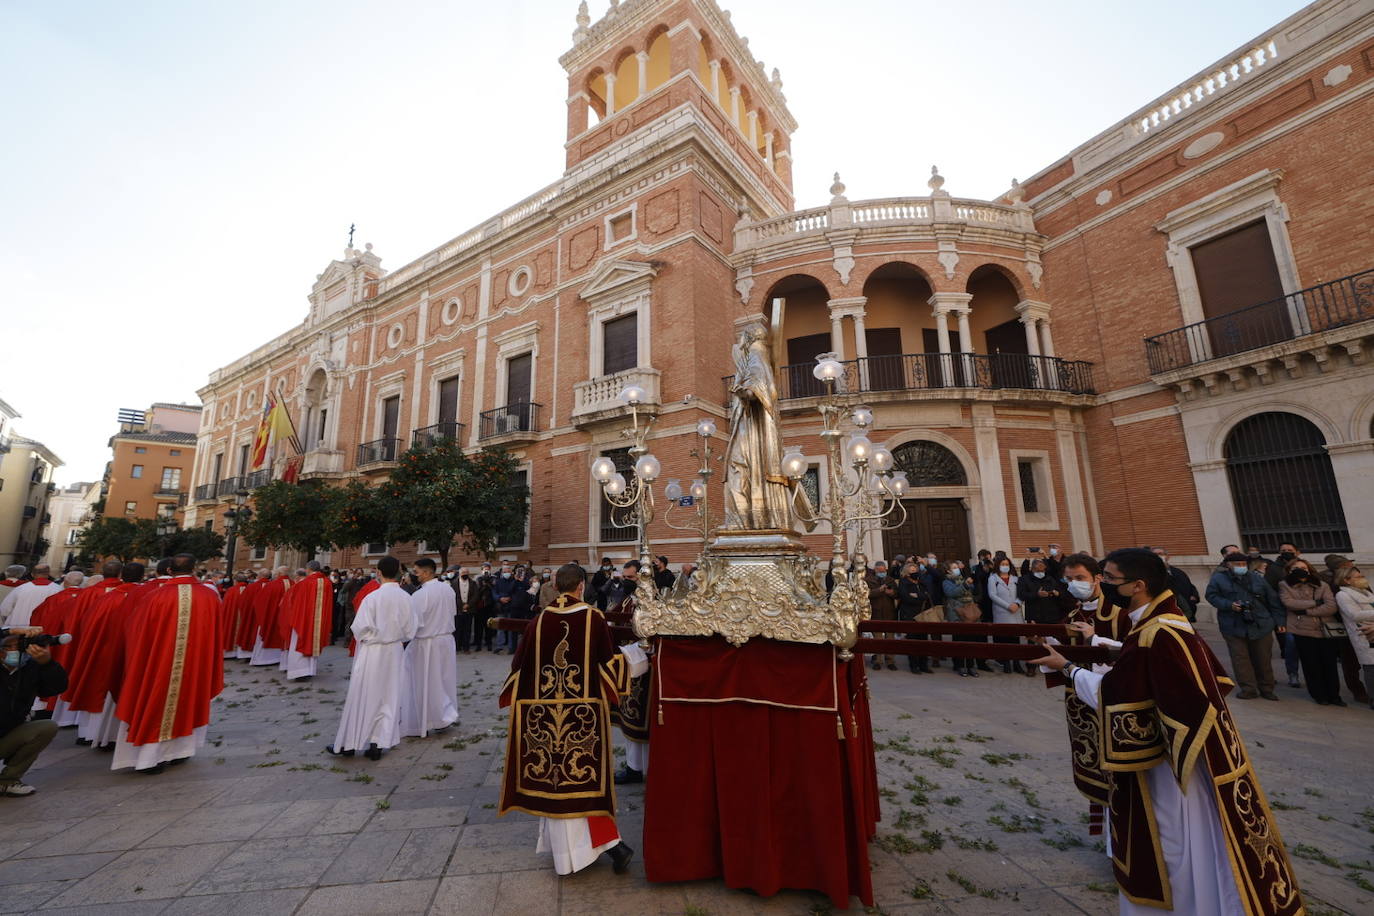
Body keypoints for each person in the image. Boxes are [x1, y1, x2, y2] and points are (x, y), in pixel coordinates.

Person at [1032, 548, 1302, 915]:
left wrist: (1067, 668)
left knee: (1169, 842)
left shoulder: (1158, 632)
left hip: (1166, 767)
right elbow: (1136, 660)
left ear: (1138, 586)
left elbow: (1117, 693)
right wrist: (1101, 648)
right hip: (1181, 753)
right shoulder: (1162, 622)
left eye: (1110, 579)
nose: (1103, 585)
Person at [498, 562, 638, 877]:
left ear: (557, 586)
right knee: (583, 778)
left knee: (555, 781)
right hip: (582, 717)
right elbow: (611, 667)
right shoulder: (593, 618)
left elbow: (518, 670)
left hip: (542, 718)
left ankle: (596, 849)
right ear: (580, 588)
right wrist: (638, 662)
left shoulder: (538, 621)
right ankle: (604, 848)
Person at [113, 554, 224, 773]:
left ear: (169, 571)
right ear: (195, 570)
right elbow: (216, 635)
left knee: (154, 700)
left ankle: (149, 758)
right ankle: (179, 751)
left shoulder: (155, 596)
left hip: (157, 663)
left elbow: (136, 633)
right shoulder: (209, 597)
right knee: (187, 698)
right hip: (194, 664)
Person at [1051, 553, 1131, 840]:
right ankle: (1110, 837)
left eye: (1080, 578)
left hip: (1113, 703)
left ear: (1098, 578)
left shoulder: (1121, 614)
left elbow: (1132, 655)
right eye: (1069, 579)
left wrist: (1095, 638)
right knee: (1094, 765)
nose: (1074, 585)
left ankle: (1123, 836)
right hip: (1081, 705)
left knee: (1117, 771)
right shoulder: (1072, 615)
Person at [331, 556, 417, 760]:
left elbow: (359, 628)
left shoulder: (373, 597)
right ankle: (378, 742)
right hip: (395, 651)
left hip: (373, 651)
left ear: (378, 572)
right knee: (388, 696)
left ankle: (351, 742)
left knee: (364, 693)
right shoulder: (406, 598)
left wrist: (373, 637)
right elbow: (411, 629)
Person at [64, 563, 143, 750]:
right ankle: (116, 736)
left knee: (95, 685)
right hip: (127, 652)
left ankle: (88, 734)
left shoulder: (99, 595)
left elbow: (83, 622)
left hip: (99, 650)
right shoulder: (143, 596)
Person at [0, 626, 67, 795]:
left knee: (46, 727)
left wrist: (47, 664)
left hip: (6, 734)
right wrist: (9, 631)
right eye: (9, 646)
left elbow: (56, 687)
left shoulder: (30, 668)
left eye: (19, 645)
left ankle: (8, 780)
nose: (15, 650)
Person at [1206, 552, 1281, 700]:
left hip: (1260, 623)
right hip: (1232, 625)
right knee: (1240, 659)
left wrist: (1279, 622)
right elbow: (1211, 596)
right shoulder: (1218, 579)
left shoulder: (1256, 578)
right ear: (1228, 565)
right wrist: (1228, 605)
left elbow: (1272, 599)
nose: (1241, 567)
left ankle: (1267, 688)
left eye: (1243, 564)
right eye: (1237, 564)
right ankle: (1248, 689)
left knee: (1263, 658)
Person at [400, 558, 459, 738]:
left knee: (424, 682)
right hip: (446, 641)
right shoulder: (448, 589)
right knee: (443, 679)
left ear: (426, 573)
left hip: (427, 643)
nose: (414, 575)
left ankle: (425, 719)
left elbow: (413, 623)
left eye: (416, 572)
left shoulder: (420, 595)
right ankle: (443, 716)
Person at [1279, 557, 1343, 706]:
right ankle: (1319, 695)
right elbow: (1290, 603)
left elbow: (1331, 607)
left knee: (1329, 664)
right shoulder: (1285, 585)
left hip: (1325, 629)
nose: (1302, 571)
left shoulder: (1322, 585)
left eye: (1304, 568)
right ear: (1289, 571)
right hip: (1302, 630)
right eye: (1296, 568)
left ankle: (1334, 695)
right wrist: (1316, 603)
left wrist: (1306, 611)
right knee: (1311, 664)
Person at [29, 571, 84, 723]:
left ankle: (43, 708)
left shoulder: (54, 599)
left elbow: (37, 617)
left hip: (53, 643)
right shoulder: (87, 598)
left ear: (65, 582)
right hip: (76, 645)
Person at [1333, 564, 1374, 709]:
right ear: (1347, 580)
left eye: (1361, 575)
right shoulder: (1343, 594)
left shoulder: (1366, 592)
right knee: (1371, 667)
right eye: (1358, 576)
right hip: (1363, 634)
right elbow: (1354, 615)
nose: (1362, 578)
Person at [896, 561, 935, 674]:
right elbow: (906, 598)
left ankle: (924, 664)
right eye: (912, 570)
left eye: (916, 570)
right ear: (907, 572)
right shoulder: (903, 582)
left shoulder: (921, 582)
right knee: (913, 641)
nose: (915, 572)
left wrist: (917, 596)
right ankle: (914, 665)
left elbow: (928, 593)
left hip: (923, 614)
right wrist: (920, 597)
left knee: (924, 640)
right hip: (909, 615)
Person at [941, 560, 978, 677]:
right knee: (959, 640)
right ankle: (960, 665)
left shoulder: (963, 578)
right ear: (948, 570)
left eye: (958, 567)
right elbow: (951, 593)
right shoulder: (946, 581)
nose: (957, 569)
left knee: (971, 640)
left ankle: (971, 665)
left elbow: (972, 589)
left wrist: (968, 584)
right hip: (956, 614)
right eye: (954, 567)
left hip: (969, 612)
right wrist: (965, 585)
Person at [248, 567, 292, 666]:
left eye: (275, 573)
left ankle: (264, 659)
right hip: (286, 618)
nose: (274, 575)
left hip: (271, 617)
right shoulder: (294, 584)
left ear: (279, 573)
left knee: (269, 631)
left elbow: (259, 603)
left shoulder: (272, 585)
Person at [987, 556, 1024, 674]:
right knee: (1005, 640)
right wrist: (1008, 606)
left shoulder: (1015, 578)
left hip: (1015, 612)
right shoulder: (993, 578)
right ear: (998, 565)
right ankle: (1006, 663)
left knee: (1016, 640)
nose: (1005, 566)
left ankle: (1017, 663)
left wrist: (1017, 604)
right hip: (1002, 612)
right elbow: (992, 595)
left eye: (1007, 564)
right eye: (1002, 564)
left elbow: (1021, 593)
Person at [865, 559, 898, 672]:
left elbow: (897, 593)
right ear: (875, 570)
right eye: (879, 570)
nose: (882, 572)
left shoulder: (890, 580)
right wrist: (879, 590)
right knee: (877, 639)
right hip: (876, 612)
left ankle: (890, 661)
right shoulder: (868, 580)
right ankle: (877, 661)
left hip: (889, 613)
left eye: (883, 570)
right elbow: (866, 594)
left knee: (890, 639)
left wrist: (892, 593)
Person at [1151, 547, 1200, 622]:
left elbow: (1190, 585)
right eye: (1155, 554)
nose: (1158, 556)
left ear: (1167, 556)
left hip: (1185, 614)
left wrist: (1194, 596)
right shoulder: (1148, 574)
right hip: (1165, 616)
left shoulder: (1178, 572)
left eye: (1160, 554)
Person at [449, 566, 474, 653]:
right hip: (458, 610)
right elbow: (453, 596)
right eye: (463, 573)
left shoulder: (473, 583)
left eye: (466, 573)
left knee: (467, 630)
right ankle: (457, 647)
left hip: (469, 609)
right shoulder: (454, 583)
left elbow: (476, 595)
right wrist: (461, 605)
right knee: (457, 629)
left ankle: (466, 648)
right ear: (459, 574)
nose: (465, 575)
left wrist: (468, 604)